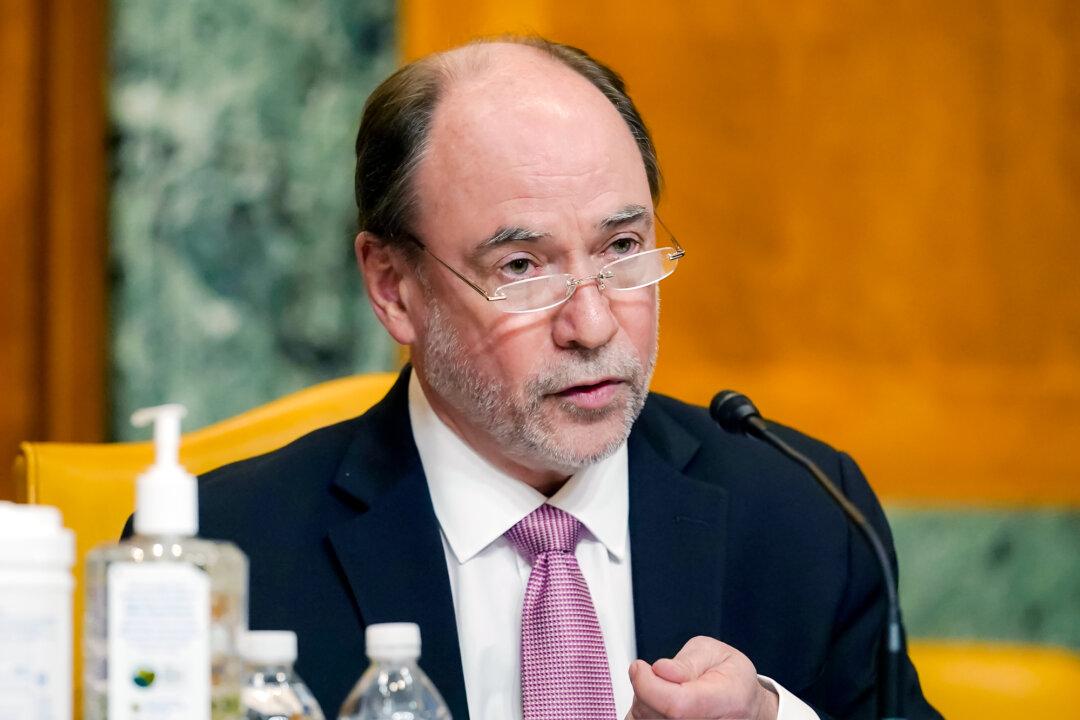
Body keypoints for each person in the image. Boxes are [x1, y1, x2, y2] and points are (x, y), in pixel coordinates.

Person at [184, 37, 941, 719]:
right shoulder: (227, 555)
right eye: (521, 267)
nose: (595, 325)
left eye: (621, 247)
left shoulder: (803, 517)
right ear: (393, 288)